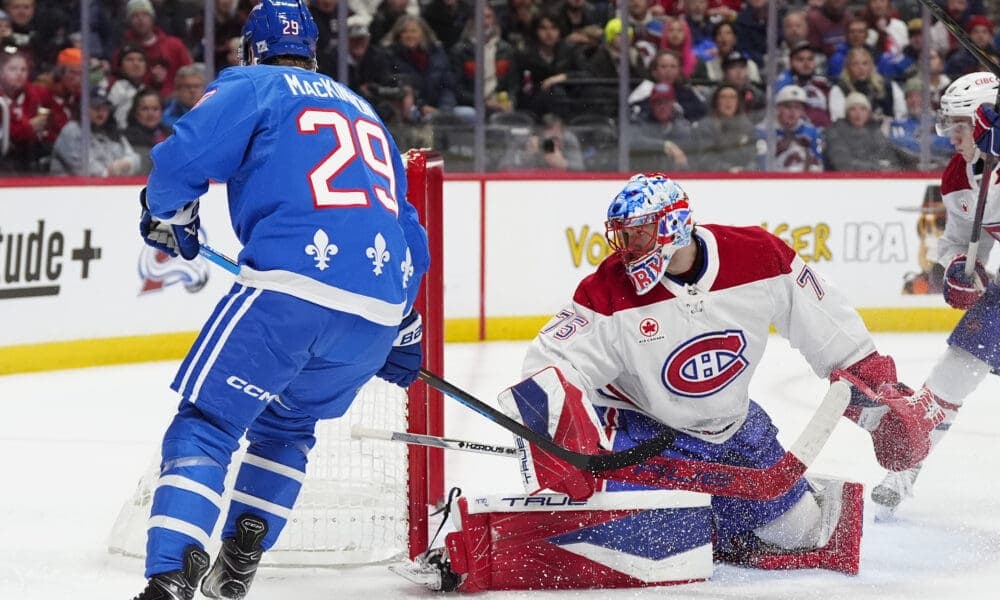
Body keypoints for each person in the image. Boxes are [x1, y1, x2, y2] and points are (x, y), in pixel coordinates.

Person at [402, 174, 942, 593]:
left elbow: (833, 333)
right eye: (622, 237)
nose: (626, 249)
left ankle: (732, 515)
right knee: (640, 542)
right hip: (642, 438)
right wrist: (566, 440)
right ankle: (697, 517)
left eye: (637, 235)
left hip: (734, 433)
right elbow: (550, 363)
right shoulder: (607, 291)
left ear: (673, 227)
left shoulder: (760, 256)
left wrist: (881, 402)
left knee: (800, 535)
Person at [131, 1, 430, 598]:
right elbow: (411, 235)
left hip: (289, 294)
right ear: (314, 52)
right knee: (288, 428)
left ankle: (172, 574)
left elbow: (180, 158)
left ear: (250, 47)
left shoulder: (252, 83)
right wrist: (403, 321)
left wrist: (168, 211)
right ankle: (240, 560)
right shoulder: (366, 109)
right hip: (377, 312)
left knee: (208, 422)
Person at [870, 71, 1000, 518]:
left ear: (986, 120)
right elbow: (964, 241)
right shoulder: (959, 177)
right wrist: (962, 269)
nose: (951, 137)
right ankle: (907, 465)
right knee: (955, 369)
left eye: (959, 126)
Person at [48, 87, 140, 176]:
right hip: (70, 188)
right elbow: (83, 168)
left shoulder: (111, 132)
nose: (101, 112)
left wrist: (127, 163)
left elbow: (135, 158)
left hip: (107, 187)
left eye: (105, 108)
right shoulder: (71, 131)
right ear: (83, 108)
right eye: (96, 107)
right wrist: (109, 172)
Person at [823, 91, 903, 171]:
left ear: (868, 113)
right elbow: (843, 164)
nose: (858, 114)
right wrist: (878, 168)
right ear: (847, 113)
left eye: (863, 109)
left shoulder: (874, 130)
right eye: (853, 109)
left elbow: (890, 155)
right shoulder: (835, 131)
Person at [755, 84, 823, 173]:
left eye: (797, 107)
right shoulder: (762, 131)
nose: (792, 112)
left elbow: (819, 162)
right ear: (778, 108)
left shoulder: (811, 131)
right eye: (788, 106)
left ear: (803, 111)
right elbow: (760, 166)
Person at [161, 63, 207, 127]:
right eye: (188, 86)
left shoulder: (211, 113)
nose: (192, 91)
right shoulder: (166, 117)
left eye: (196, 86)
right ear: (177, 89)